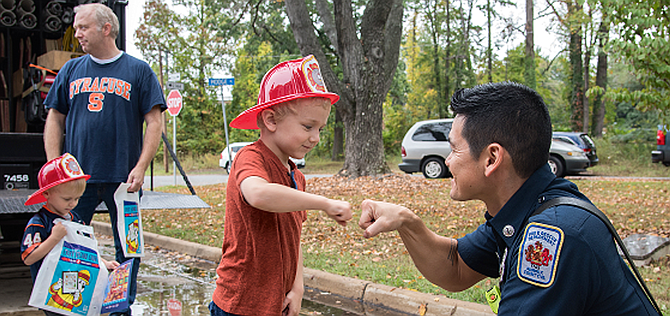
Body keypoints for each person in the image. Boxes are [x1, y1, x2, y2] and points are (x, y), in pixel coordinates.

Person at [359, 82, 660, 315]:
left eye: (454, 149)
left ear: (492, 158)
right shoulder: (524, 208)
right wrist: (406, 222)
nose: (448, 161)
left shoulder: (551, 234)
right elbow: (456, 268)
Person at [42, 3, 166, 315]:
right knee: (70, 242)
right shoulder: (71, 70)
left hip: (124, 180)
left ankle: (121, 303)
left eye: (82, 27)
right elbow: (55, 118)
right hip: (76, 180)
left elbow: (155, 123)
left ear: (105, 28)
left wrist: (141, 166)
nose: (77, 33)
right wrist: (54, 166)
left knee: (130, 246)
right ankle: (72, 302)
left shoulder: (138, 70)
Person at [209, 55, 353, 316]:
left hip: (277, 305)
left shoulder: (297, 177)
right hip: (239, 305)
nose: (316, 138)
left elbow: (294, 239)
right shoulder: (250, 158)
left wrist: (297, 289)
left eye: (320, 128)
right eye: (308, 126)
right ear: (271, 120)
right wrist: (324, 204)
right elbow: (259, 194)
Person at [22, 153, 120, 316]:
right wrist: (53, 238)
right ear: (46, 194)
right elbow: (28, 258)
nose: (72, 203)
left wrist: (104, 263)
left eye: (77, 198)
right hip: (52, 291)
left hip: (75, 287)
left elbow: (83, 248)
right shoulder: (39, 222)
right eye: (67, 198)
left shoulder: (75, 218)